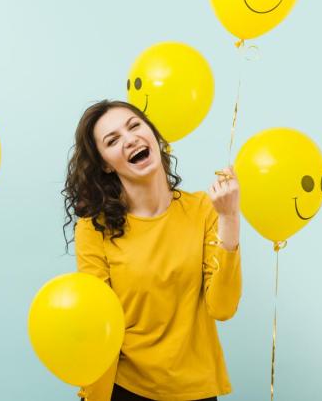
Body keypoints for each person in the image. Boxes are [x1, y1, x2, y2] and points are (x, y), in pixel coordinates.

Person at [62, 100, 242, 401]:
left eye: (134, 126)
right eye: (113, 140)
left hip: (195, 390)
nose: (129, 139)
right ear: (106, 163)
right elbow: (98, 324)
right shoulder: (94, 228)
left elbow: (222, 308)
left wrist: (229, 218)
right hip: (125, 389)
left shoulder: (204, 210)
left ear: (153, 135)